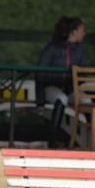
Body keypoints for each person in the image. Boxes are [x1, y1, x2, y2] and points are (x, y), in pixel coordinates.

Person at [36, 16, 87, 147]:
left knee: (88, 101)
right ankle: (52, 141)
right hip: (52, 88)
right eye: (82, 30)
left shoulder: (80, 50)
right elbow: (40, 72)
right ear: (74, 31)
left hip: (70, 89)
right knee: (62, 98)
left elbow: (82, 73)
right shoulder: (53, 47)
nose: (84, 33)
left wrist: (73, 86)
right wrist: (40, 100)